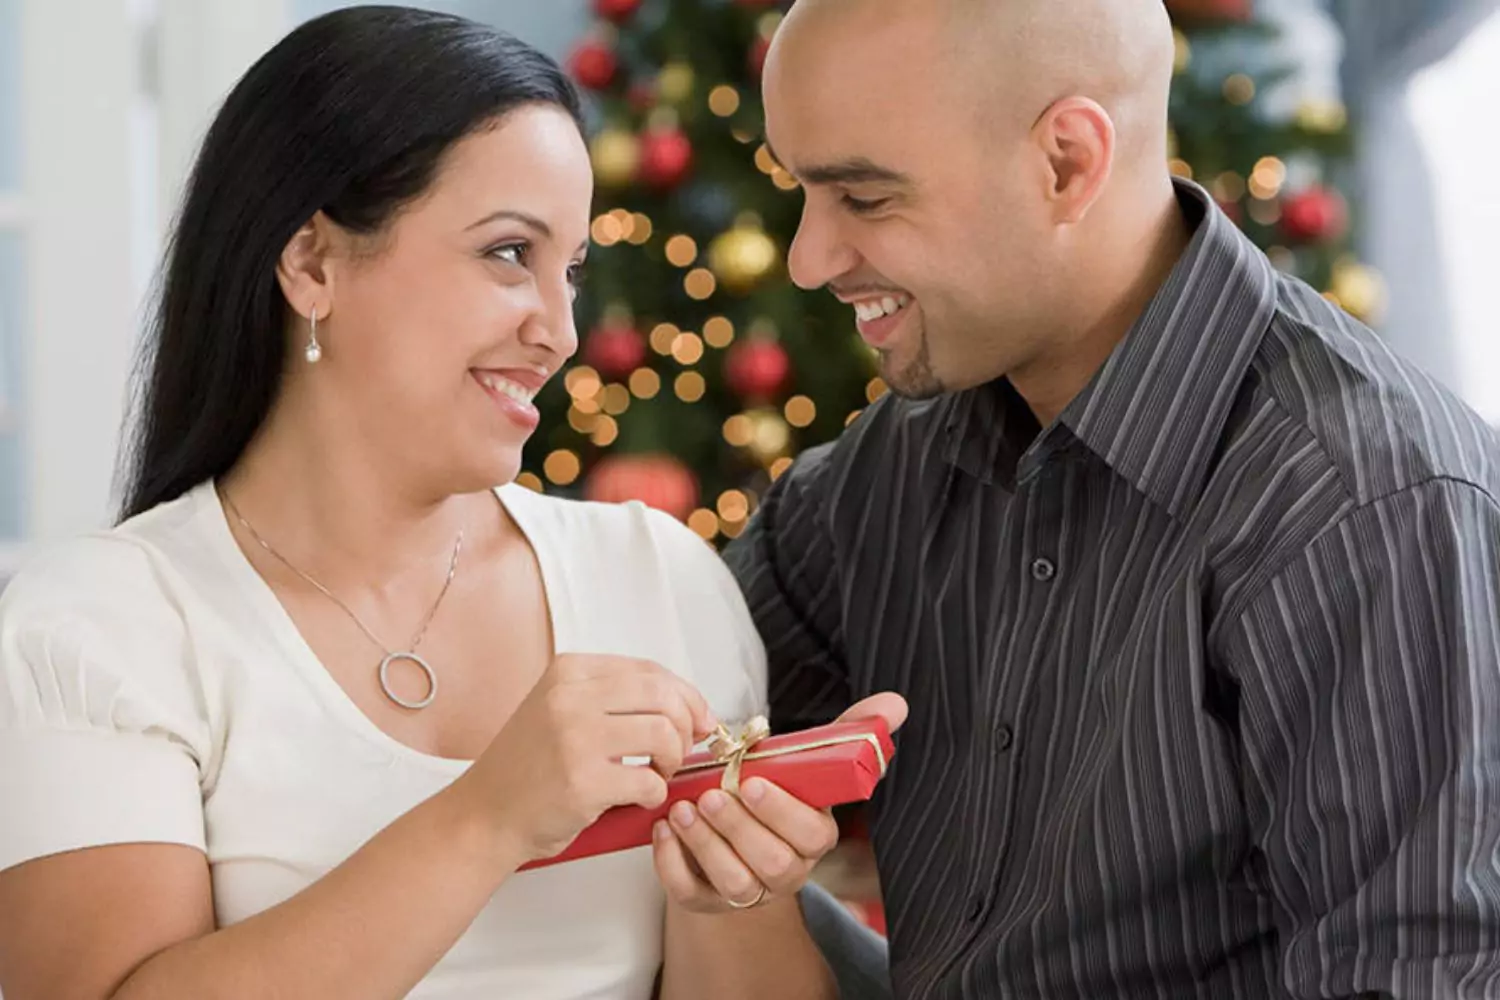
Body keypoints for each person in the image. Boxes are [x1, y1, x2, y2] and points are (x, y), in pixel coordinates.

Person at [0, 8, 904, 999]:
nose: (560, 331)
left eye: (571, 272)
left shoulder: (659, 578)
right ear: (311, 262)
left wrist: (735, 891)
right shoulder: (100, 626)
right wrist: (488, 815)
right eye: (509, 253)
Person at [725, 0, 1500, 996]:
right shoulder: (890, 474)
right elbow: (669, 696)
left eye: (865, 199)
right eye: (801, 194)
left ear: (1065, 163)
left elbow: (1424, 973)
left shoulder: (1366, 505)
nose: (807, 259)